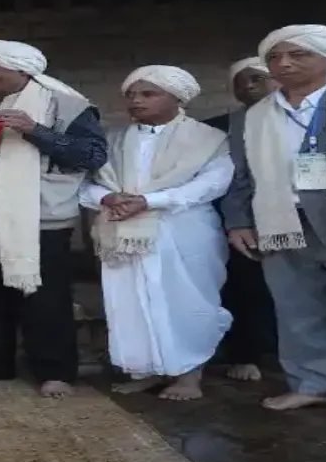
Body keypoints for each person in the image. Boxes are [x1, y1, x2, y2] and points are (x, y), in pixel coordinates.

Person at [222, 24, 326, 427]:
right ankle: (312, 385)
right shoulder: (250, 118)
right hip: (281, 224)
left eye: (298, 54)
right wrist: (238, 222)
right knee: (298, 309)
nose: (282, 63)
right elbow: (238, 176)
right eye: (275, 57)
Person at [0, 40, 107, 398]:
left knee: (45, 299)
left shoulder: (68, 105)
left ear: (21, 69)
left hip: (41, 220)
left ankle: (55, 371)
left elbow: (93, 155)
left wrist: (35, 129)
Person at [82, 65, 233, 400]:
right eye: (131, 95)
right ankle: (146, 369)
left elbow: (214, 183)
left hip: (182, 231)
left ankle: (189, 374)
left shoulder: (209, 139)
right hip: (121, 231)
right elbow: (86, 185)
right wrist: (108, 197)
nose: (136, 101)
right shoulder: (113, 140)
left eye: (148, 94)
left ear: (178, 99)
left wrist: (149, 201)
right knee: (129, 304)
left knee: (188, 301)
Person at [205, 58, 280, 382]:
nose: (248, 86)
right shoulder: (218, 128)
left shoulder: (307, 119)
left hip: (304, 220)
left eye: (257, 78)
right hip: (242, 222)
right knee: (245, 288)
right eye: (241, 81)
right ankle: (246, 355)